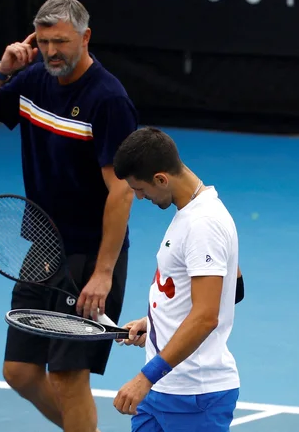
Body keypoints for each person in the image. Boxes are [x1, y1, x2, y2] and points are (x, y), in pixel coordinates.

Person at [0, 0, 138, 432]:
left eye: (61, 41)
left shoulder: (107, 99)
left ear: (85, 37)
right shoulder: (32, 80)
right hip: (44, 248)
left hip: (91, 255)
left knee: (67, 376)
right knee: (18, 371)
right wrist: (2, 72)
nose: (52, 51)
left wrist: (103, 273)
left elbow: (122, 192)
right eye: (44, 41)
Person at [110, 127, 241, 432]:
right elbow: (231, 290)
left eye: (140, 189)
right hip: (163, 390)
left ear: (161, 179)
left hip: (195, 395)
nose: (139, 197)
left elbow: (207, 316)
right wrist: (156, 322)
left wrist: (145, 378)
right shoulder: (191, 214)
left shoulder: (203, 224)